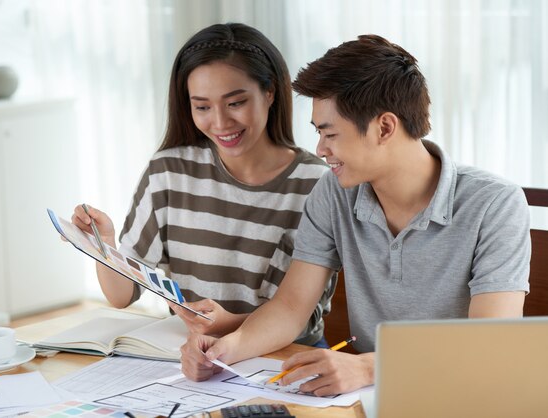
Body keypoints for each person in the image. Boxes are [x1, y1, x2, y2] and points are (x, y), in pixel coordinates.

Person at [179, 34, 531, 395]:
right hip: (368, 393)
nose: (320, 149)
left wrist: (368, 366)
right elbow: (290, 307)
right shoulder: (334, 192)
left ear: (384, 128)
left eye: (330, 134)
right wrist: (225, 350)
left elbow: (489, 343)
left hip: (461, 390)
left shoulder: (495, 204)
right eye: (318, 133)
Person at [71, 23, 332, 346]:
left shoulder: (316, 184)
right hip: (193, 357)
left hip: (282, 358)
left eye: (235, 102)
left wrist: (227, 326)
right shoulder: (169, 172)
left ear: (270, 92)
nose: (220, 123)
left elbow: (303, 317)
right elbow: (122, 295)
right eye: (202, 107)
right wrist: (104, 244)